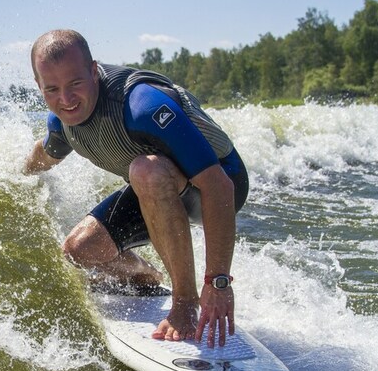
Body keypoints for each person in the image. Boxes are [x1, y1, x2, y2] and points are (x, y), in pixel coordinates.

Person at [24, 29, 249, 348]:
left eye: (75, 83)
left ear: (93, 71)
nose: (66, 99)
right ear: (39, 86)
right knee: (78, 251)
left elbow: (219, 187)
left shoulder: (141, 106)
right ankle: (147, 275)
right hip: (158, 186)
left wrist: (219, 281)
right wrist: (11, 177)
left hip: (222, 184)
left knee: (145, 170)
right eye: (52, 89)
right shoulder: (61, 124)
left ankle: (185, 301)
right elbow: (43, 155)